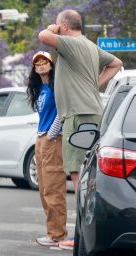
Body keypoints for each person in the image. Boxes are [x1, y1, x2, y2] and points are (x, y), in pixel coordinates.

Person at [38, 10, 123, 250]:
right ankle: (86, 234)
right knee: (89, 177)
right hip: (90, 113)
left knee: (78, 177)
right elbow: (116, 63)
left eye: (58, 25)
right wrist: (94, 86)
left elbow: (43, 36)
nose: (55, 28)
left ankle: (81, 237)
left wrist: (52, 29)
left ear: (64, 26)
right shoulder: (90, 46)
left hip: (78, 116)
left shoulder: (70, 43)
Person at [27, 51, 67, 247]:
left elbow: (63, 111)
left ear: (51, 65)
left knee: (53, 189)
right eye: (38, 63)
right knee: (44, 189)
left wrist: (51, 134)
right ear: (35, 69)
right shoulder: (40, 88)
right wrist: (42, 137)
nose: (41, 65)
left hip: (53, 139)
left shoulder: (56, 85)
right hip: (41, 139)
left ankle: (58, 235)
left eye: (45, 62)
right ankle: (52, 232)